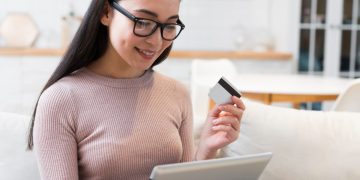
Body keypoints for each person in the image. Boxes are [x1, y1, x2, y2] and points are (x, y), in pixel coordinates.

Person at [27, 0, 245, 179]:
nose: (156, 41)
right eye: (143, 22)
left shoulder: (177, 93)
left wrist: (207, 150)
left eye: (169, 26)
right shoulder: (60, 100)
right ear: (106, 12)